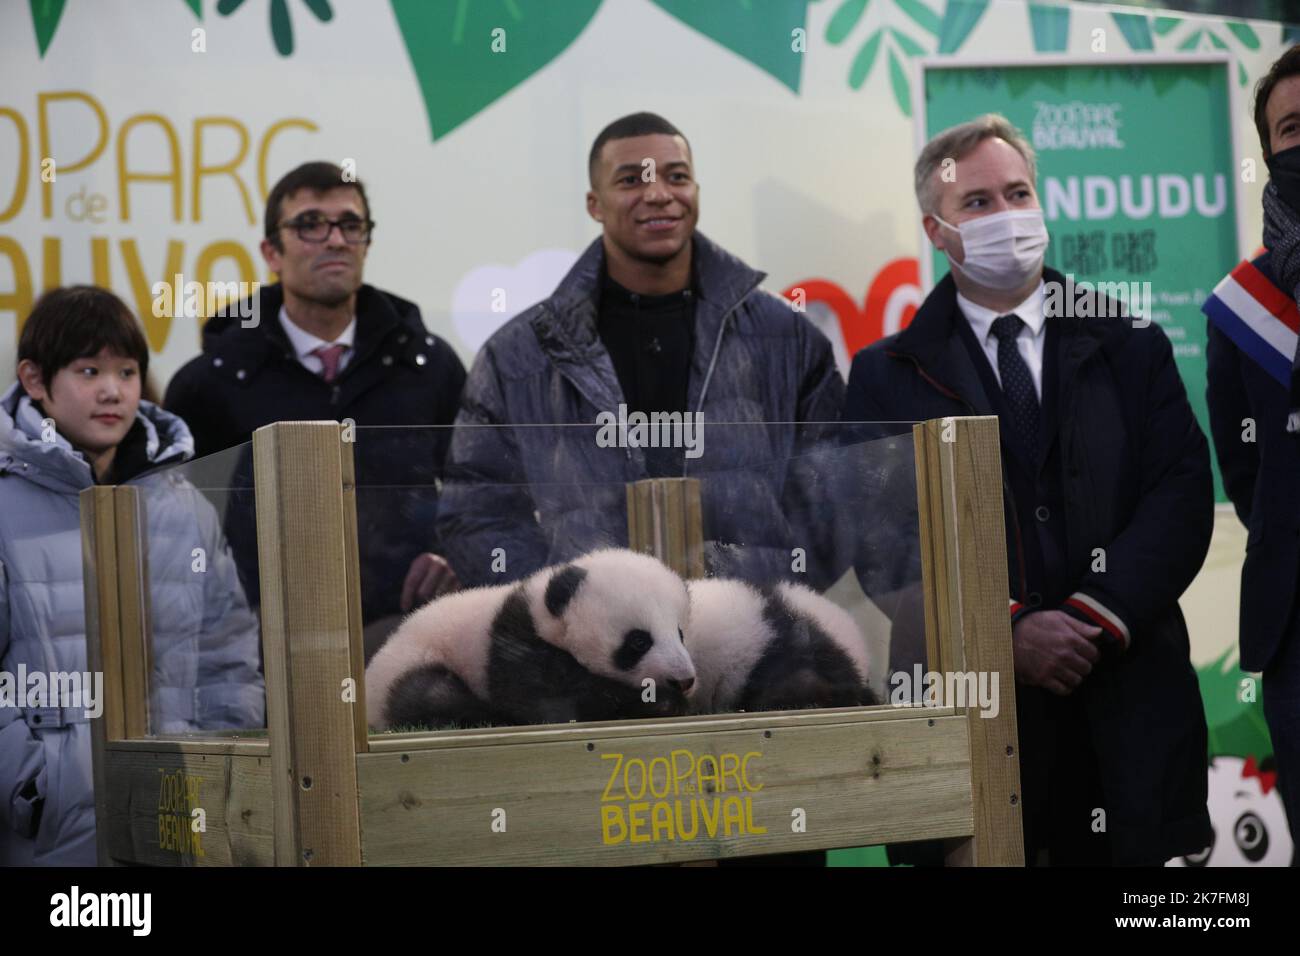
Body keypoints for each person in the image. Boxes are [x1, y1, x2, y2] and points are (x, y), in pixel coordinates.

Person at [844, 114, 1213, 866]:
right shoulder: (885, 374)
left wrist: (1092, 615)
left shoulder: (1130, 344)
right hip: (969, 715)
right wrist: (1005, 627)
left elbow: (1179, 495)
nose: (1006, 215)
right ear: (936, 229)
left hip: (1123, 705)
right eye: (977, 202)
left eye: (1018, 192)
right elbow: (879, 540)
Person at [436, 112, 845, 591]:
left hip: (755, 642)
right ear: (595, 204)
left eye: (677, 176)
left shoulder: (788, 341)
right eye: (631, 180)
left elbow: (834, 501)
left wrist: (747, 597)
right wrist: (573, 607)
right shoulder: (518, 357)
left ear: (696, 190)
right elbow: (477, 514)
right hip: (583, 653)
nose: (658, 194)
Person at [0, 286, 264, 866]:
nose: (112, 390)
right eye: (88, 369)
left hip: (182, 813)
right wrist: (33, 788)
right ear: (36, 380)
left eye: (127, 370)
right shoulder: (3, 506)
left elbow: (229, 652)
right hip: (49, 830)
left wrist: (223, 770)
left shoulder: (182, 504)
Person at [164, 162, 467, 635]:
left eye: (351, 225)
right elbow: (174, 532)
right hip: (258, 645)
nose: (335, 239)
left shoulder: (430, 367)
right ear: (271, 251)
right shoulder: (209, 383)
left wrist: (455, 553)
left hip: (411, 640)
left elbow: (484, 490)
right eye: (309, 224)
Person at [1204, 45, 1300, 854]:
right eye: (1291, 129)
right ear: (1269, 152)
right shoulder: (1241, 308)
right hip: (1294, 632)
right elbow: (1247, 474)